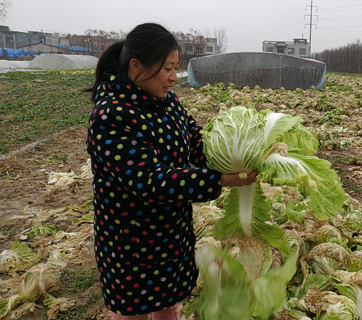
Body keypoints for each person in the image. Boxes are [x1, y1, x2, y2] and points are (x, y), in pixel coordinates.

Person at [86, 23, 257, 320]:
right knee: (133, 311)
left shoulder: (167, 103)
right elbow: (149, 180)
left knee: (169, 303)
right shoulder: (110, 115)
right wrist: (216, 180)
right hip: (130, 243)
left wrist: (238, 156)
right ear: (136, 67)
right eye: (167, 68)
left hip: (170, 234)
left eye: (176, 67)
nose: (174, 77)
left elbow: (195, 143)